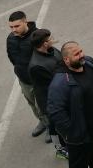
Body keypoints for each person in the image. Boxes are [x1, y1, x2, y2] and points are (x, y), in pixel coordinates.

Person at [28, 29, 69, 158]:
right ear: (44, 44)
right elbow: (55, 79)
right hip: (50, 101)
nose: (53, 39)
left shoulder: (52, 51)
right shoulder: (36, 66)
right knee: (54, 126)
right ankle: (60, 149)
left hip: (60, 95)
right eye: (50, 38)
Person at [7, 11, 48, 137]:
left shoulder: (37, 36)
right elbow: (11, 56)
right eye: (11, 27)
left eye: (17, 26)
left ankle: (52, 127)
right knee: (32, 104)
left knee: (44, 105)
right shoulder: (11, 38)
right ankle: (43, 122)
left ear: (25, 22)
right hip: (24, 79)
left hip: (39, 80)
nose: (14, 30)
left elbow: (47, 57)